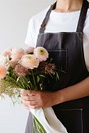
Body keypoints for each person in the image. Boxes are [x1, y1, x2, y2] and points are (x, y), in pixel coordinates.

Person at [21, 0, 89, 132]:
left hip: (81, 120)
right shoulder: (37, 21)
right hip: (41, 121)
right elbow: (28, 70)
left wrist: (54, 98)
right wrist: (26, 93)